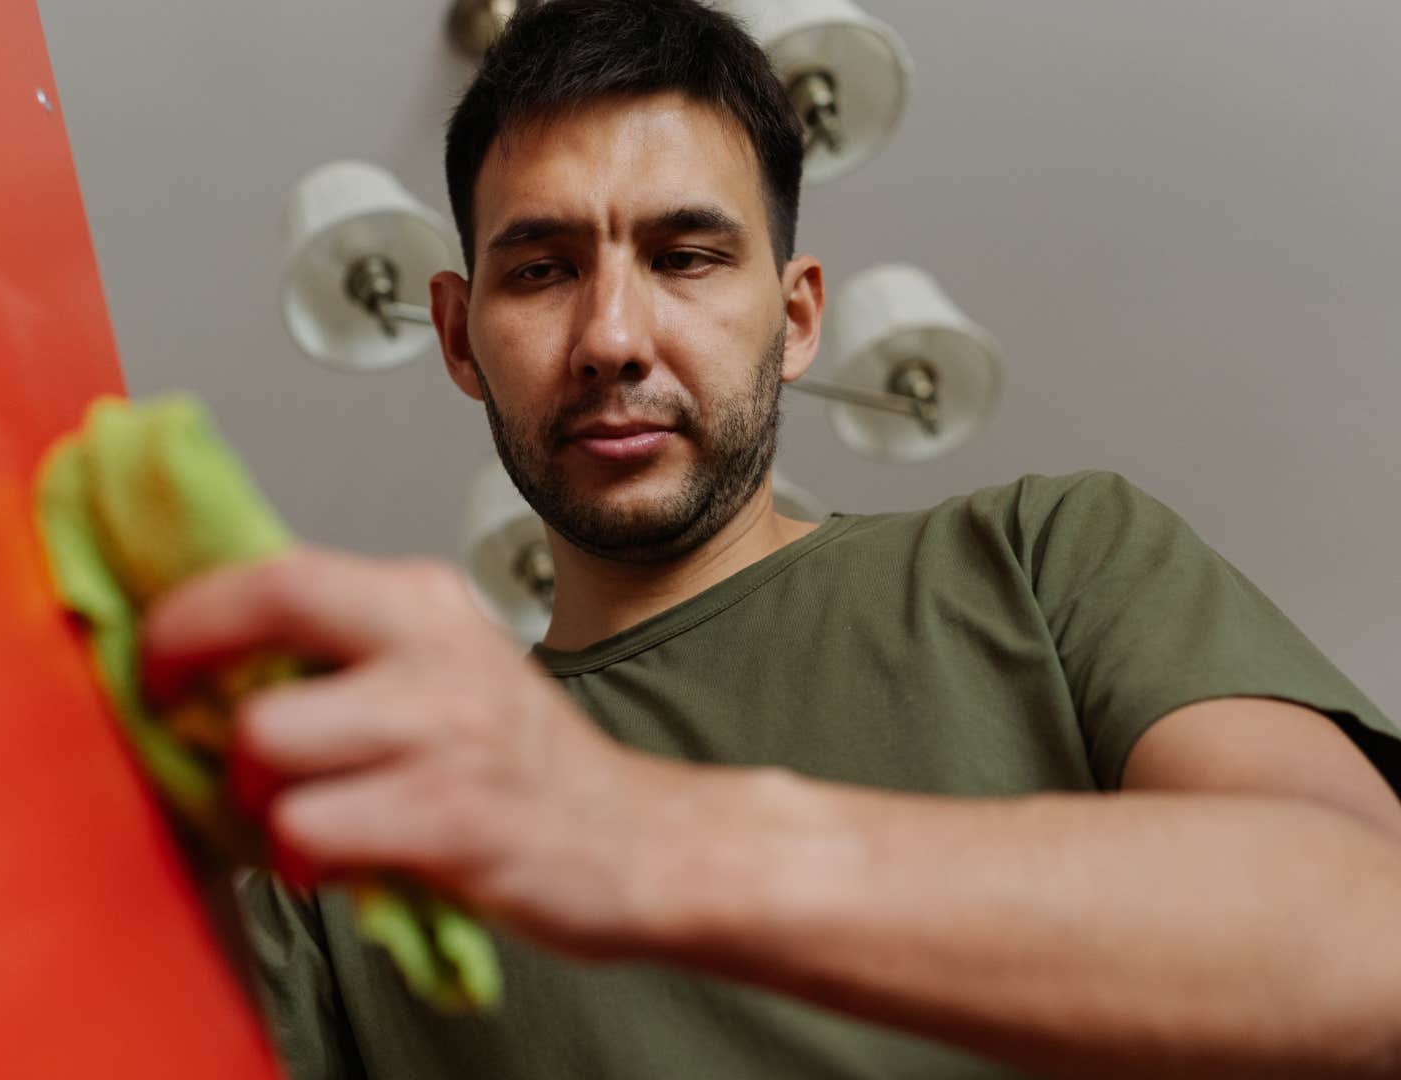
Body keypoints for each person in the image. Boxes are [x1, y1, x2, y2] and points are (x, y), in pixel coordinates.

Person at [141, 1, 1401, 1075]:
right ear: (459, 338)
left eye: (686, 256)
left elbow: (1372, 932)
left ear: (797, 319)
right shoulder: (351, 842)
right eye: (541, 271)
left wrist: (625, 831)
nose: (613, 337)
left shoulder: (1050, 557)